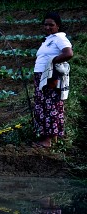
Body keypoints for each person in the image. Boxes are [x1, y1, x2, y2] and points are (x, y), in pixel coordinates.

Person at [32, 12, 73, 148]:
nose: (48, 27)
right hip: (41, 76)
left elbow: (68, 53)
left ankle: (46, 141)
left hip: (50, 77)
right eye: (46, 25)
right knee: (45, 104)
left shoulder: (59, 38)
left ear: (58, 26)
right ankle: (51, 136)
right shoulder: (49, 39)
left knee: (49, 105)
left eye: (51, 25)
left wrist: (52, 61)